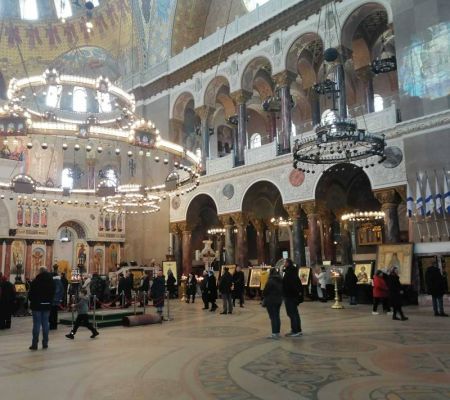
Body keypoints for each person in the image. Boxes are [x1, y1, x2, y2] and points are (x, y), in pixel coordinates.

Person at [28, 267, 55, 350]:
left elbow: (30, 294)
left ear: (39, 272)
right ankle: (45, 343)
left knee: (36, 324)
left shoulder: (36, 281)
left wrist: (33, 300)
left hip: (37, 306)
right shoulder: (51, 281)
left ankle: (34, 344)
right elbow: (53, 293)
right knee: (45, 323)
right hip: (47, 305)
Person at [282, 259, 303, 337]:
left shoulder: (289, 273)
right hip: (292, 296)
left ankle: (295, 331)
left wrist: (285, 292)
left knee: (292, 313)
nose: (283, 263)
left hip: (290, 296)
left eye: (284, 262)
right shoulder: (292, 272)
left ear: (288, 263)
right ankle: (297, 330)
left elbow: (289, 285)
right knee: (294, 313)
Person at [262, 268, 283, 339]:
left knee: (273, 317)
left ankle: (274, 333)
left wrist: (264, 295)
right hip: (279, 300)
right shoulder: (280, 280)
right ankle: (277, 333)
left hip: (271, 301)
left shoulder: (270, 281)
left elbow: (265, 291)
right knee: (277, 316)